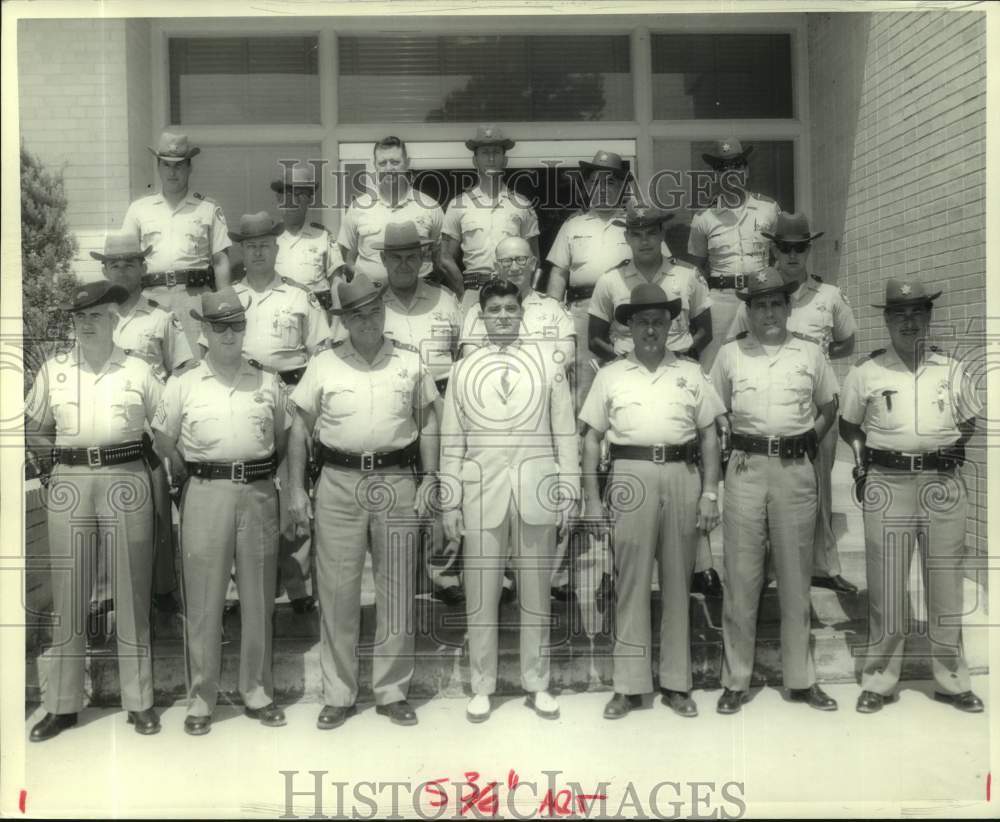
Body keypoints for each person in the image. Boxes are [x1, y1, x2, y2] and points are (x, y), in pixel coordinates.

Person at [286, 274, 440, 729]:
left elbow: (428, 421)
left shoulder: (409, 362)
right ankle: (339, 692)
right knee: (337, 591)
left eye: (375, 311)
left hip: (396, 479)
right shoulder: (324, 364)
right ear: (343, 321)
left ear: (385, 311)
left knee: (395, 591)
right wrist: (296, 489)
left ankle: (392, 690)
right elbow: (299, 427)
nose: (368, 321)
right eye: (357, 315)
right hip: (338, 480)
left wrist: (430, 477)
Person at [26, 281, 164, 741]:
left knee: (131, 591)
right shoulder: (53, 370)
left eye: (95, 316)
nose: (85, 324)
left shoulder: (139, 370)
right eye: (79, 317)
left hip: (127, 476)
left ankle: (139, 701)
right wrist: (53, 475)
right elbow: (36, 428)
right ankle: (62, 705)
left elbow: (164, 428)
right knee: (69, 594)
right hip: (71, 480)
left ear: (114, 320)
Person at [580, 282, 724, 720]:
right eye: (641, 322)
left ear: (671, 326)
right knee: (631, 584)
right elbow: (591, 440)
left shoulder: (690, 373)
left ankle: (677, 684)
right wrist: (591, 499)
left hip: (682, 475)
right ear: (628, 328)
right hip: (630, 477)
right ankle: (628, 685)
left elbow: (709, 435)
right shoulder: (611, 375)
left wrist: (710, 492)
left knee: (679, 584)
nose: (650, 330)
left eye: (658, 322)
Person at [840, 277, 983, 715]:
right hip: (889, 481)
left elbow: (969, 420)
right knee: (886, 586)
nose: (909, 321)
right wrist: (863, 467)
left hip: (941, 484)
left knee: (945, 583)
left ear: (928, 318)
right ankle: (879, 680)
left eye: (918, 313)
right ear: (885, 319)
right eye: (899, 314)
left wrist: (940, 450)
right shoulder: (867, 371)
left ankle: (952, 679)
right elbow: (850, 425)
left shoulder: (952, 369)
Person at [440, 278, 580, 723]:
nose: (502, 316)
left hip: (536, 487)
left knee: (536, 593)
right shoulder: (464, 369)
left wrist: (570, 489)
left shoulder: (548, 363)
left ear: (522, 314)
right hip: (482, 490)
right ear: (481, 317)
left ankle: (537, 682)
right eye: (494, 309)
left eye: (510, 309)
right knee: (480, 594)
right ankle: (482, 685)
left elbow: (565, 432)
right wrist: (450, 499)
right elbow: (451, 440)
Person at [153, 288, 290, 735]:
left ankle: (257, 692)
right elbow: (164, 441)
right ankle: (201, 699)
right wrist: (189, 478)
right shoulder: (183, 383)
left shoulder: (267, 381)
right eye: (219, 326)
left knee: (257, 600)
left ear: (245, 328)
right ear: (205, 332)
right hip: (204, 491)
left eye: (236, 324)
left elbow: (283, 440)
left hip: (257, 490)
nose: (229, 333)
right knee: (205, 602)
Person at [709, 267, 839, 715]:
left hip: (793, 470)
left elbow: (829, 405)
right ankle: (735, 679)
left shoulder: (809, 354)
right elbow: (715, 407)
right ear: (748, 310)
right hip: (745, 469)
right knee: (741, 579)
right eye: (760, 304)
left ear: (787, 308)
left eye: (776, 304)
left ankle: (801, 679)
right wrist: (732, 436)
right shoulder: (730, 355)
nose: (768, 311)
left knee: (795, 577)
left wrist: (809, 437)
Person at [589, 203, 721, 598]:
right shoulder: (610, 281)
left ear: (661, 235)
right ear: (627, 237)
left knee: (689, 467)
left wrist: (681, 359)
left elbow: (705, 329)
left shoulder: (686, 275)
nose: (644, 240)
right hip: (628, 378)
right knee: (617, 468)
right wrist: (624, 364)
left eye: (651, 233)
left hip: (676, 376)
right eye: (636, 233)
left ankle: (701, 564)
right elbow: (594, 336)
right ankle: (615, 568)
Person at [726, 212, 859, 594]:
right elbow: (734, 344)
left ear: (808, 249)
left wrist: (815, 358)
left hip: (815, 408)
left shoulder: (828, 296)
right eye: (784, 248)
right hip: (769, 409)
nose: (791, 255)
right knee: (766, 495)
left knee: (818, 488)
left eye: (799, 248)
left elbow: (847, 340)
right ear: (774, 250)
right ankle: (770, 567)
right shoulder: (756, 296)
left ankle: (824, 565)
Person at [209, 211, 331, 614]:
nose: (258, 251)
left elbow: (320, 353)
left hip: (292, 394)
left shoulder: (300, 296)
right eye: (251, 245)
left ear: (277, 248)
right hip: (242, 396)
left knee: (293, 485)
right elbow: (209, 354)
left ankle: (298, 585)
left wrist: (308, 404)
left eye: (265, 244)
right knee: (239, 490)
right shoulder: (231, 299)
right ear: (242, 250)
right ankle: (234, 588)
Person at [460, 236, 576, 601]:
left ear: (533, 264)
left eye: (521, 259)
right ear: (495, 265)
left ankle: (548, 578)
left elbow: (563, 365)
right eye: (506, 260)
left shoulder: (554, 311)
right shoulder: (477, 311)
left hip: (538, 423)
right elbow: (470, 365)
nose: (514, 266)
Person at [92, 232, 194, 620]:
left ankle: (163, 589)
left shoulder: (160, 317)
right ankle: (107, 594)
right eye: (114, 264)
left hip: (151, 432)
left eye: (130, 263)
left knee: (157, 512)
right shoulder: (93, 315)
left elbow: (183, 369)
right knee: (103, 515)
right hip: (107, 427)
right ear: (104, 268)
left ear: (143, 267)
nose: (122, 269)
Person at [376, 220, 463, 606]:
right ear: (383, 259)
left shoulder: (445, 300)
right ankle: (406, 574)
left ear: (424, 258)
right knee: (405, 488)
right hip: (395, 403)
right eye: (396, 257)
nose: (405, 264)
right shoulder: (372, 304)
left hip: (442, 398)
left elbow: (466, 352)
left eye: (412, 256)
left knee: (443, 481)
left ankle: (444, 575)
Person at [121, 131, 231, 353]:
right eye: (167, 165)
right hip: (150, 299)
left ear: (190, 167)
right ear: (158, 167)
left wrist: (224, 306)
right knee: (148, 361)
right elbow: (125, 261)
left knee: (195, 366)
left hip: (193, 299)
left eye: (179, 165)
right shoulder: (139, 209)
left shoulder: (208, 208)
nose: (173, 172)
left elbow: (220, 261)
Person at [546, 150, 636, 411]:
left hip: (625, 315)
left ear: (622, 187)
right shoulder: (573, 225)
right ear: (587, 185)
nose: (604, 188)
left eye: (611, 182)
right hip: (582, 313)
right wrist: (554, 318)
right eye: (597, 181)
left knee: (626, 379)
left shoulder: (636, 226)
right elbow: (559, 275)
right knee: (583, 382)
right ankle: (582, 447)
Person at [688, 138, 779, 372]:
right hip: (721, 298)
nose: (730, 172)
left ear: (746, 171)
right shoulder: (704, 217)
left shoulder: (769, 209)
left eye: (736, 165)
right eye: (722, 168)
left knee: (765, 359)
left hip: (759, 295)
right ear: (717, 175)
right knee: (713, 364)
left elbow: (781, 255)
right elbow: (696, 270)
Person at [440, 125, 540, 313]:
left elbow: (534, 259)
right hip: (474, 290)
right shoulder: (458, 204)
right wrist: (464, 292)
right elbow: (445, 258)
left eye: (496, 152)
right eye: (485, 153)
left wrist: (526, 292)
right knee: (473, 341)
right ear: (475, 160)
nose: (491, 158)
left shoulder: (522, 205)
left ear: (505, 159)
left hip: (513, 290)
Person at [336, 136, 448, 290]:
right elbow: (346, 261)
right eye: (383, 163)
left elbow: (440, 260)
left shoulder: (430, 207)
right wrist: (367, 285)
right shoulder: (358, 208)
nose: (389, 168)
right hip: (373, 300)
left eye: (395, 162)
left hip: (418, 297)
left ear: (407, 163)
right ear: (375, 165)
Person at [271, 160, 348, 311]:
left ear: (310, 199)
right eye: (288, 194)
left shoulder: (323, 237)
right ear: (279, 199)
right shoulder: (268, 239)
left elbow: (337, 281)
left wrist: (336, 321)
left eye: (300, 194)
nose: (294, 200)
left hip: (317, 318)